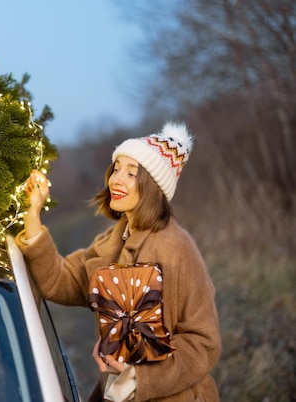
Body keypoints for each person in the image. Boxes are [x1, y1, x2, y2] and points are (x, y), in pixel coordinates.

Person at [16, 123, 220, 401]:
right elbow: (59, 282)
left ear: (152, 185)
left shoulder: (177, 249)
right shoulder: (110, 240)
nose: (116, 179)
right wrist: (32, 215)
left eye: (131, 172)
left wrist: (138, 376)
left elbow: (203, 342)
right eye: (116, 168)